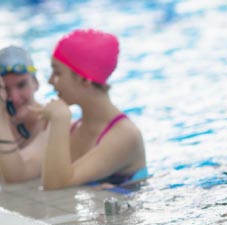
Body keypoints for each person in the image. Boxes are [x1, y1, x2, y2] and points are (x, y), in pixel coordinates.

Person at [36, 28, 146, 190]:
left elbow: (54, 185)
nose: (50, 81)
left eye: (57, 72)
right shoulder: (75, 128)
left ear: (85, 80)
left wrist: (59, 120)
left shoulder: (125, 135)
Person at [0, 46, 48, 183]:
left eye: (21, 85)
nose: (13, 98)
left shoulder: (51, 123)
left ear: (36, 83)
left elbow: (15, 175)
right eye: (5, 89)